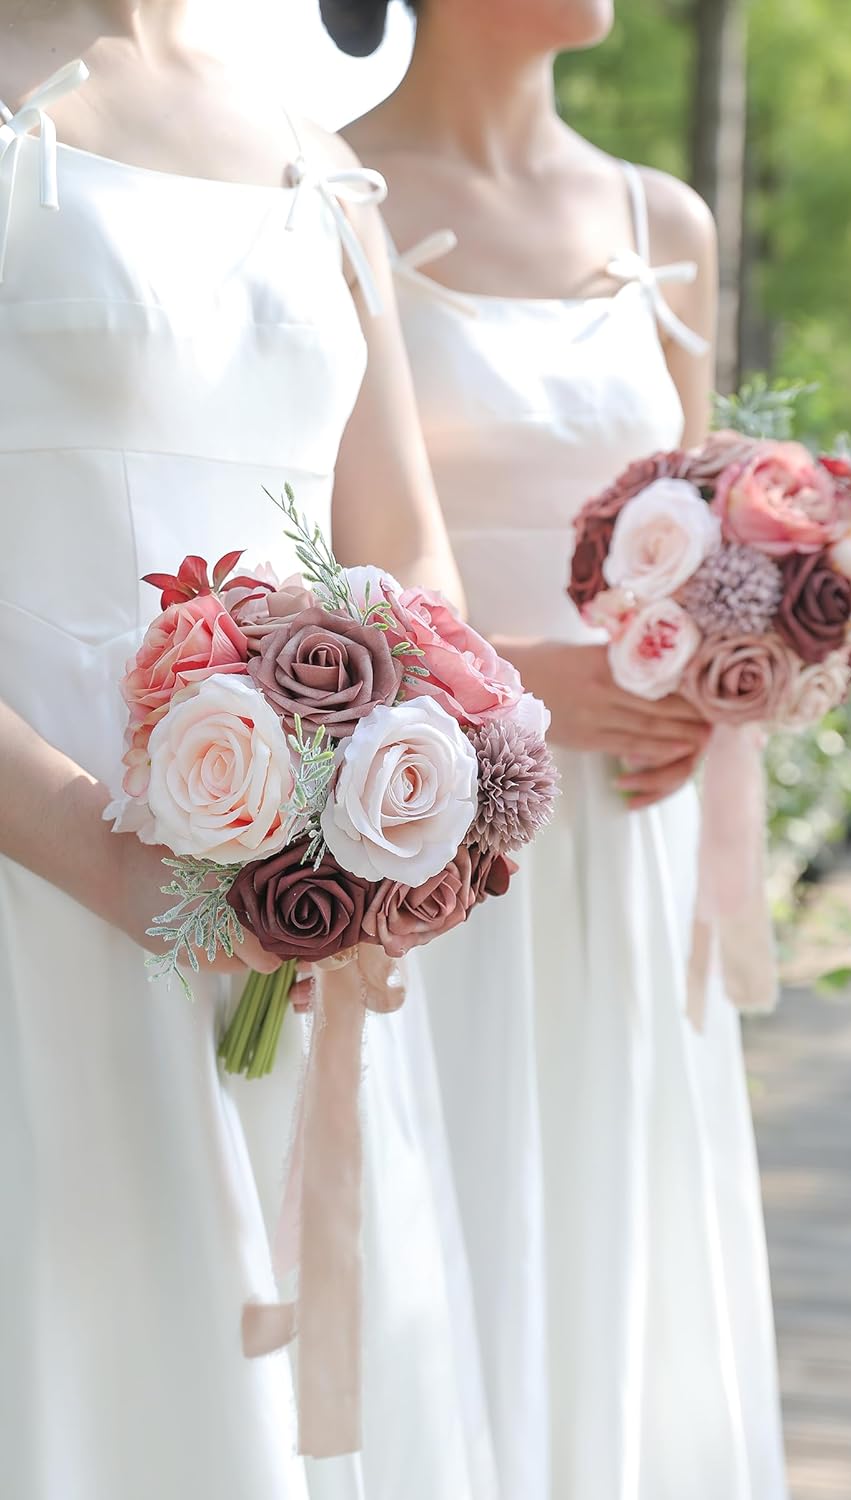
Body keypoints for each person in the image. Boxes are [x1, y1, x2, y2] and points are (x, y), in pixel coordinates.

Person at [0, 5, 494, 1498]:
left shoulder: (313, 152)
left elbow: (404, 551)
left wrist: (387, 830)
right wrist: (113, 856)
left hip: (297, 891)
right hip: (41, 863)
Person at [336, 2, 788, 1497]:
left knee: (621, 1230)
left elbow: (709, 549)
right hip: (439, 819)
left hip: (638, 830)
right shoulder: (324, 190)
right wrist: (523, 685)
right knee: (458, 1222)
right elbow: (318, 552)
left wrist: (734, 669)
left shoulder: (668, 220)